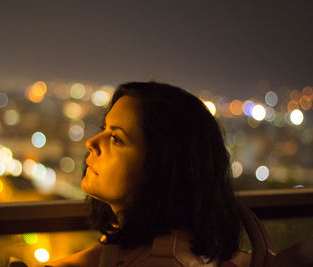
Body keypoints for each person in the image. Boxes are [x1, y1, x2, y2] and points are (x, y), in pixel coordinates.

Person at [47, 82, 249, 267]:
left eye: (116, 139)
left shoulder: (162, 261)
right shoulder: (145, 238)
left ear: (161, 164)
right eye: (104, 129)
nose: (91, 143)